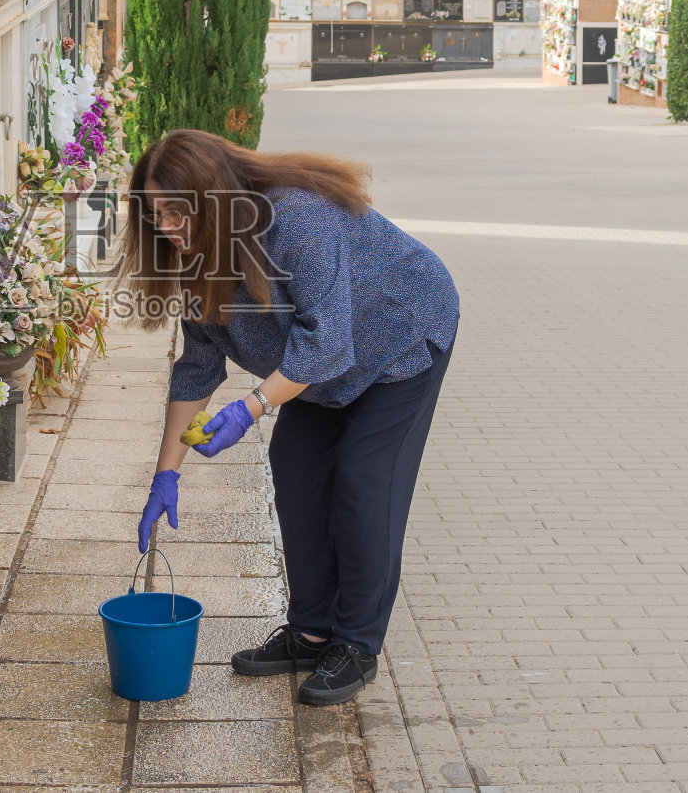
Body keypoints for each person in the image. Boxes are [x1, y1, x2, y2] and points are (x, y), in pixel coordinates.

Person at [125, 129, 459, 706]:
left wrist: (251, 406)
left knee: (362, 482)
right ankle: (311, 633)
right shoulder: (196, 256)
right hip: (319, 365)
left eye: (177, 213)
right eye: (157, 216)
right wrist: (166, 473)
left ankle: (355, 644)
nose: (168, 229)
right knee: (297, 468)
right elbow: (197, 367)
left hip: (399, 341)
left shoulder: (298, 221)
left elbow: (326, 343)